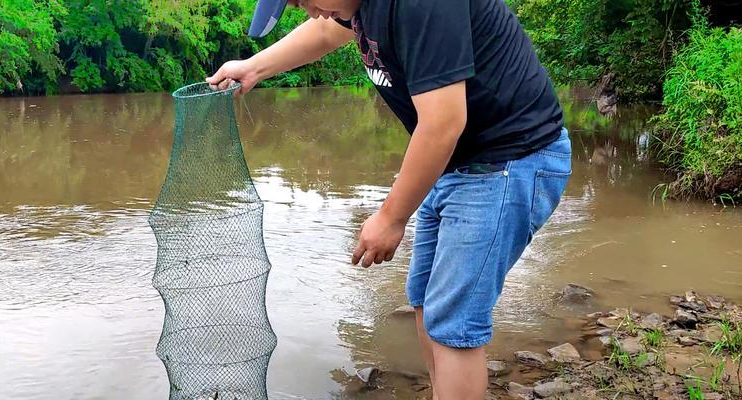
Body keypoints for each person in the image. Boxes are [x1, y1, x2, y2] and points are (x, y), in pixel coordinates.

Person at [207, 0, 572, 398]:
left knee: (454, 325)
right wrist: (255, 66)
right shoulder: (353, 5)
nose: (308, 11)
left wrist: (391, 217)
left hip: (509, 159)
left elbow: (443, 123)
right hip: (457, 162)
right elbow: (330, 29)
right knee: (425, 303)